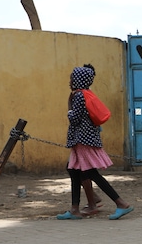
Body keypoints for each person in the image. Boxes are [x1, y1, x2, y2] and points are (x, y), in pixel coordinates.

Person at [57, 64, 134, 220]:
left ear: (78, 79)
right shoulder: (87, 94)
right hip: (85, 138)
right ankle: (74, 209)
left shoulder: (78, 96)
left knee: (90, 172)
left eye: (72, 78)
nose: (70, 81)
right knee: (74, 171)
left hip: (82, 139)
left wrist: (69, 109)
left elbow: (74, 119)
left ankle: (121, 203)